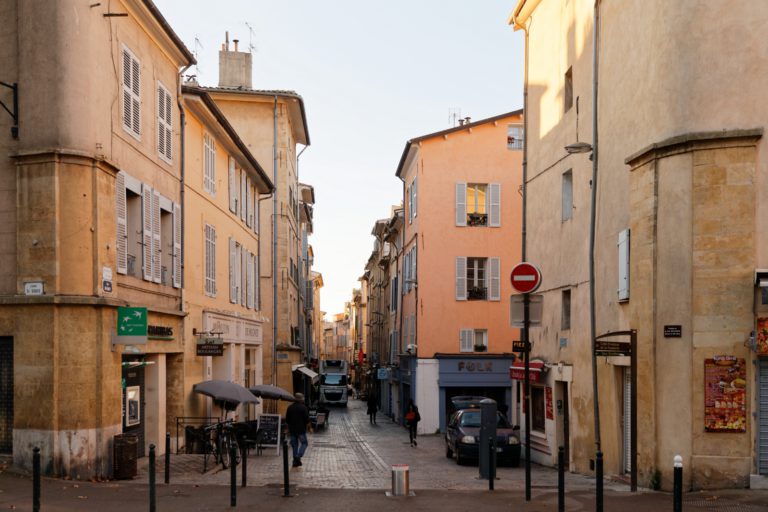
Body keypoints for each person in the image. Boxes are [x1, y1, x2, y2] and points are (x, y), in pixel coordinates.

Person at [285, 392, 311, 467]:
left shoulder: (290, 407)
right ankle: (298, 456)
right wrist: (310, 428)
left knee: (294, 446)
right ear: (301, 400)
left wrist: (287, 429)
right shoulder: (303, 407)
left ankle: (295, 462)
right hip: (301, 430)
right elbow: (307, 420)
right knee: (304, 443)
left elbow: (287, 420)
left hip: (292, 430)